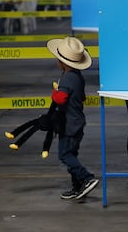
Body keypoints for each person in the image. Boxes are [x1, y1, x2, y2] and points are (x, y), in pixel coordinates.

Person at [46, 36, 99, 200]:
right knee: (71, 155)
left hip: (69, 124)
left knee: (64, 155)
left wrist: (55, 92)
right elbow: (81, 97)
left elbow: (60, 99)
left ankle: (87, 178)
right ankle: (77, 187)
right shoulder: (77, 76)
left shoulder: (67, 78)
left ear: (63, 62)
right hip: (77, 123)